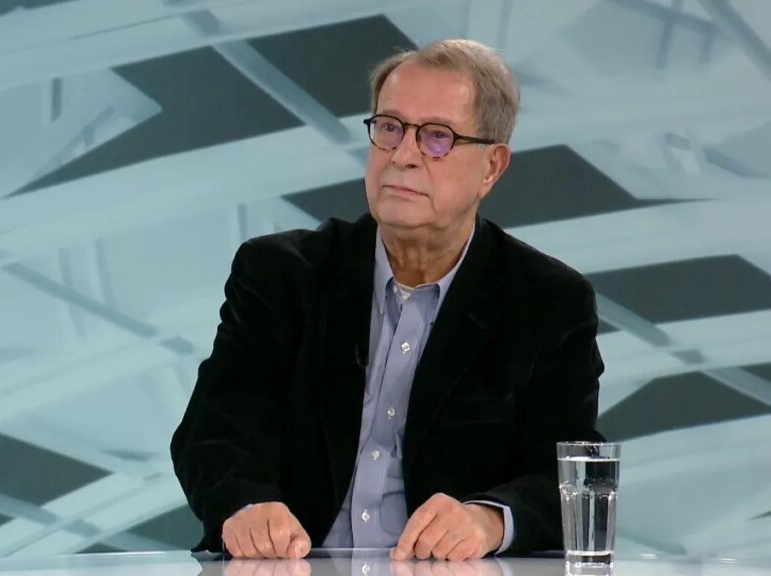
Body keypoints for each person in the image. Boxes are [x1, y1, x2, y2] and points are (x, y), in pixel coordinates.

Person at [170, 38, 604, 562]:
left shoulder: (547, 301)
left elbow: (567, 475)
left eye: (437, 137)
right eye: (390, 128)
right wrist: (245, 505)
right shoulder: (282, 274)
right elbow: (214, 429)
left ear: (491, 167)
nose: (403, 155)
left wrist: (488, 519)